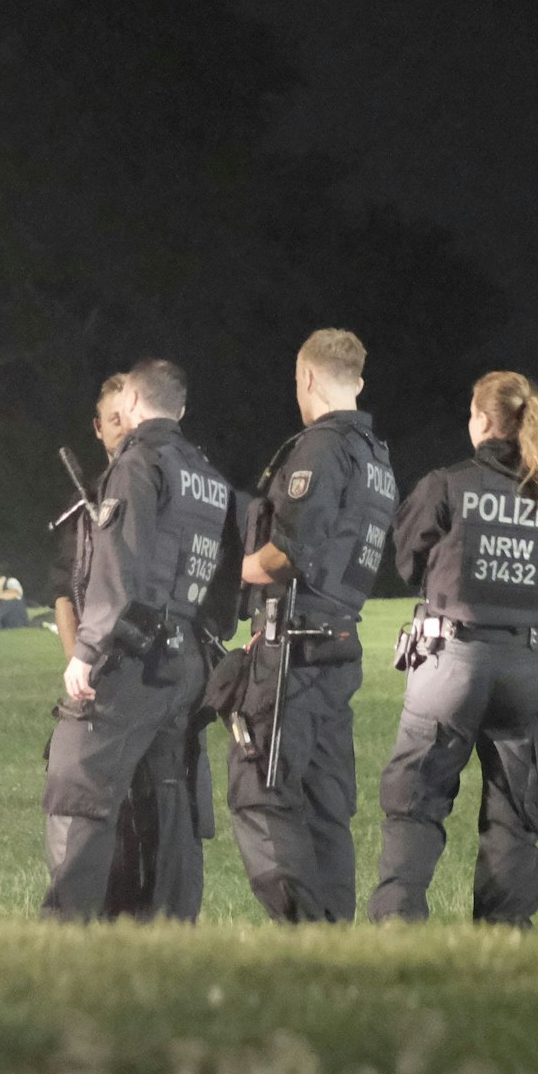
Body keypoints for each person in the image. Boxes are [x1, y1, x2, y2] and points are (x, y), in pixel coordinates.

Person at [369, 371, 538, 927]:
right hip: (528, 667)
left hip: (450, 660)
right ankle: (505, 939)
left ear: (483, 421)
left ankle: (397, 921)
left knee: (415, 802)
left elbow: (408, 559)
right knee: (515, 816)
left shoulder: (446, 483)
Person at [42, 359, 238, 922]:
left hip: (138, 656)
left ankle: (65, 930)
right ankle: (171, 929)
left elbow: (118, 571)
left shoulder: (137, 463)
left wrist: (86, 653)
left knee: (78, 780)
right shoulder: (204, 472)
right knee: (171, 795)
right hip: (187, 660)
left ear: (129, 397)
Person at [225, 328, 396, 924]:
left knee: (260, 789)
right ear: (359, 382)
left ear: (307, 378)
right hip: (338, 641)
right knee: (325, 807)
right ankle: (335, 945)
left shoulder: (321, 449)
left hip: (292, 650)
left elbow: (291, 550)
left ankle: (307, 933)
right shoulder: (377, 458)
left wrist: (239, 571)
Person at [47, 372, 179, 919]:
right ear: (98, 428)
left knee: (153, 808)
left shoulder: (146, 483)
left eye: (128, 417)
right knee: (88, 806)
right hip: (101, 674)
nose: (122, 427)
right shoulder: (84, 507)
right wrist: (83, 664)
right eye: (112, 420)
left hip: (147, 668)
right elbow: (64, 593)